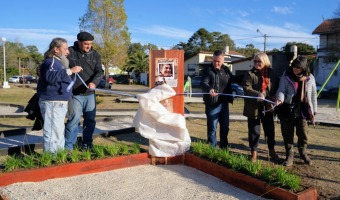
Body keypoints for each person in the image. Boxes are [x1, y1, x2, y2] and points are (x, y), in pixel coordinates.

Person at [36, 38, 82, 154]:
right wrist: (70, 71)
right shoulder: (50, 61)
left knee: (58, 132)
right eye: (65, 49)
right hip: (52, 103)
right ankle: (51, 160)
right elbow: (51, 78)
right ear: (56, 49)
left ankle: (58, 157)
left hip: (58, 103)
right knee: (52, 133)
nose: (68, 52)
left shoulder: (58, 63)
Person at [275, 56, 317, 166]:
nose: (295, 69)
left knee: (303, 134)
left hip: (303, 109)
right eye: (293, 66)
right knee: (287, 133)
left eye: (298, 67)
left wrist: (314, 109)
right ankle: (290, 155)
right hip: (288, 108)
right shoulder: (286, 76)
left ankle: (303, 153)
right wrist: (280, 99)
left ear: (304, 67)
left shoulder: (310, 78)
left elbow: (313, 94)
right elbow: (281, 90)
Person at [65, 31, 103, 150]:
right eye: (86, 43)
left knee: (90, 120)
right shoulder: (69, 52)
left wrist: (94, 82)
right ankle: (69, 147)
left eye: (90, 44)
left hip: (90, 94)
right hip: (75, 93)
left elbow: (99, 72)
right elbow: (61, 68)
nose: (88, 46)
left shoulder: (95, 55)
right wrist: (71, 69)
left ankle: (87, 144)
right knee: (74, 120)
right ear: (79, 42)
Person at [241, 52, 280, 162]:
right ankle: (254, 153)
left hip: (268, 107)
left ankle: (272, 151)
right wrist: (258, 94)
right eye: (255, 61)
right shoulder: (249, 74)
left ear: (265, 61)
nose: (257, 63)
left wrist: (274, 97)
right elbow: (246, 88)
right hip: (253, 108)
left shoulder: (272, 74)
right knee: (254, 131)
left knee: (270, 130)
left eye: (259, 61)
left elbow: (278, 87)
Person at [201, 50, 237, 149]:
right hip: (212, 104)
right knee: (212, 127)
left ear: (223, 60)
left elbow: (233, 79)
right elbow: (204, 82)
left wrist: (247, 76)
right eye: (214, 61)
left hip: (224, 103)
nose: (216, 63)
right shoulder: (208, 70)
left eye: (219, 61)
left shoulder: (225, 69)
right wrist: (209, 89)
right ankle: (212, 148)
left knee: (225, 127)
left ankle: (224, 147)